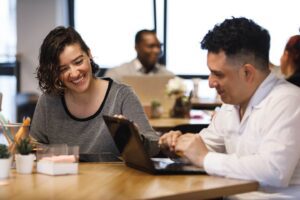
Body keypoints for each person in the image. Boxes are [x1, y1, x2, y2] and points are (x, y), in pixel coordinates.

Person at [159, 17, 300, 199]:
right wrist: (177, 144)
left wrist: (204, 158)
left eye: (218, 74)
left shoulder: (288, 100)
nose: (210, 82)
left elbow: (274, 170)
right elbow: (203, 145)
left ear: (247, 72)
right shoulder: (231, 105)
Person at [30, 26, 159, 160]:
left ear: (89, 54)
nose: (74, 73)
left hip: (113, 180)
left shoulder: (121, 96)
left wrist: (136, 138)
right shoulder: (48, 101)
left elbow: (155, 147)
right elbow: (33, 148)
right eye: (63, 69)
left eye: (78, 62)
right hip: (62, 179)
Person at [104, 29, 174, 82]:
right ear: (137, 47)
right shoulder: (117, 74)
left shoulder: (169, 77)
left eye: (158, 46)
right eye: (151, 46)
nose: (156, 50)